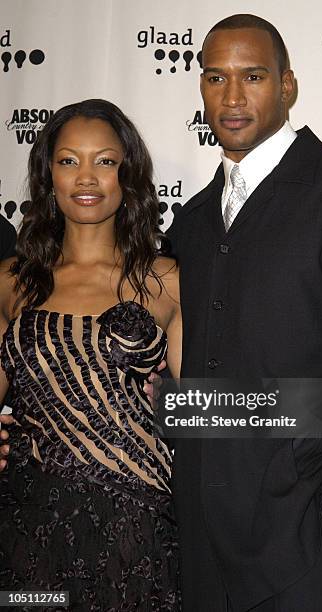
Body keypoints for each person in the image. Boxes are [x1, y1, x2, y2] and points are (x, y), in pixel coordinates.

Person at [165, 14, 322, 612]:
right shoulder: (190, 224)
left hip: (311, 548)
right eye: (215, 78)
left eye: (253, 77)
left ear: (288, 86)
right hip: (202, 551)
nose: (233, 97)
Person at [0, 99, 181, 611]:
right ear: (47, 174)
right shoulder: (11, 282)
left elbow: (203, 412)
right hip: (27, 525)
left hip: (136, 525)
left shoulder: (165, 281)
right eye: (68, 160)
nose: (86, 177)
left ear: (128, 175)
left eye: (105, 161)